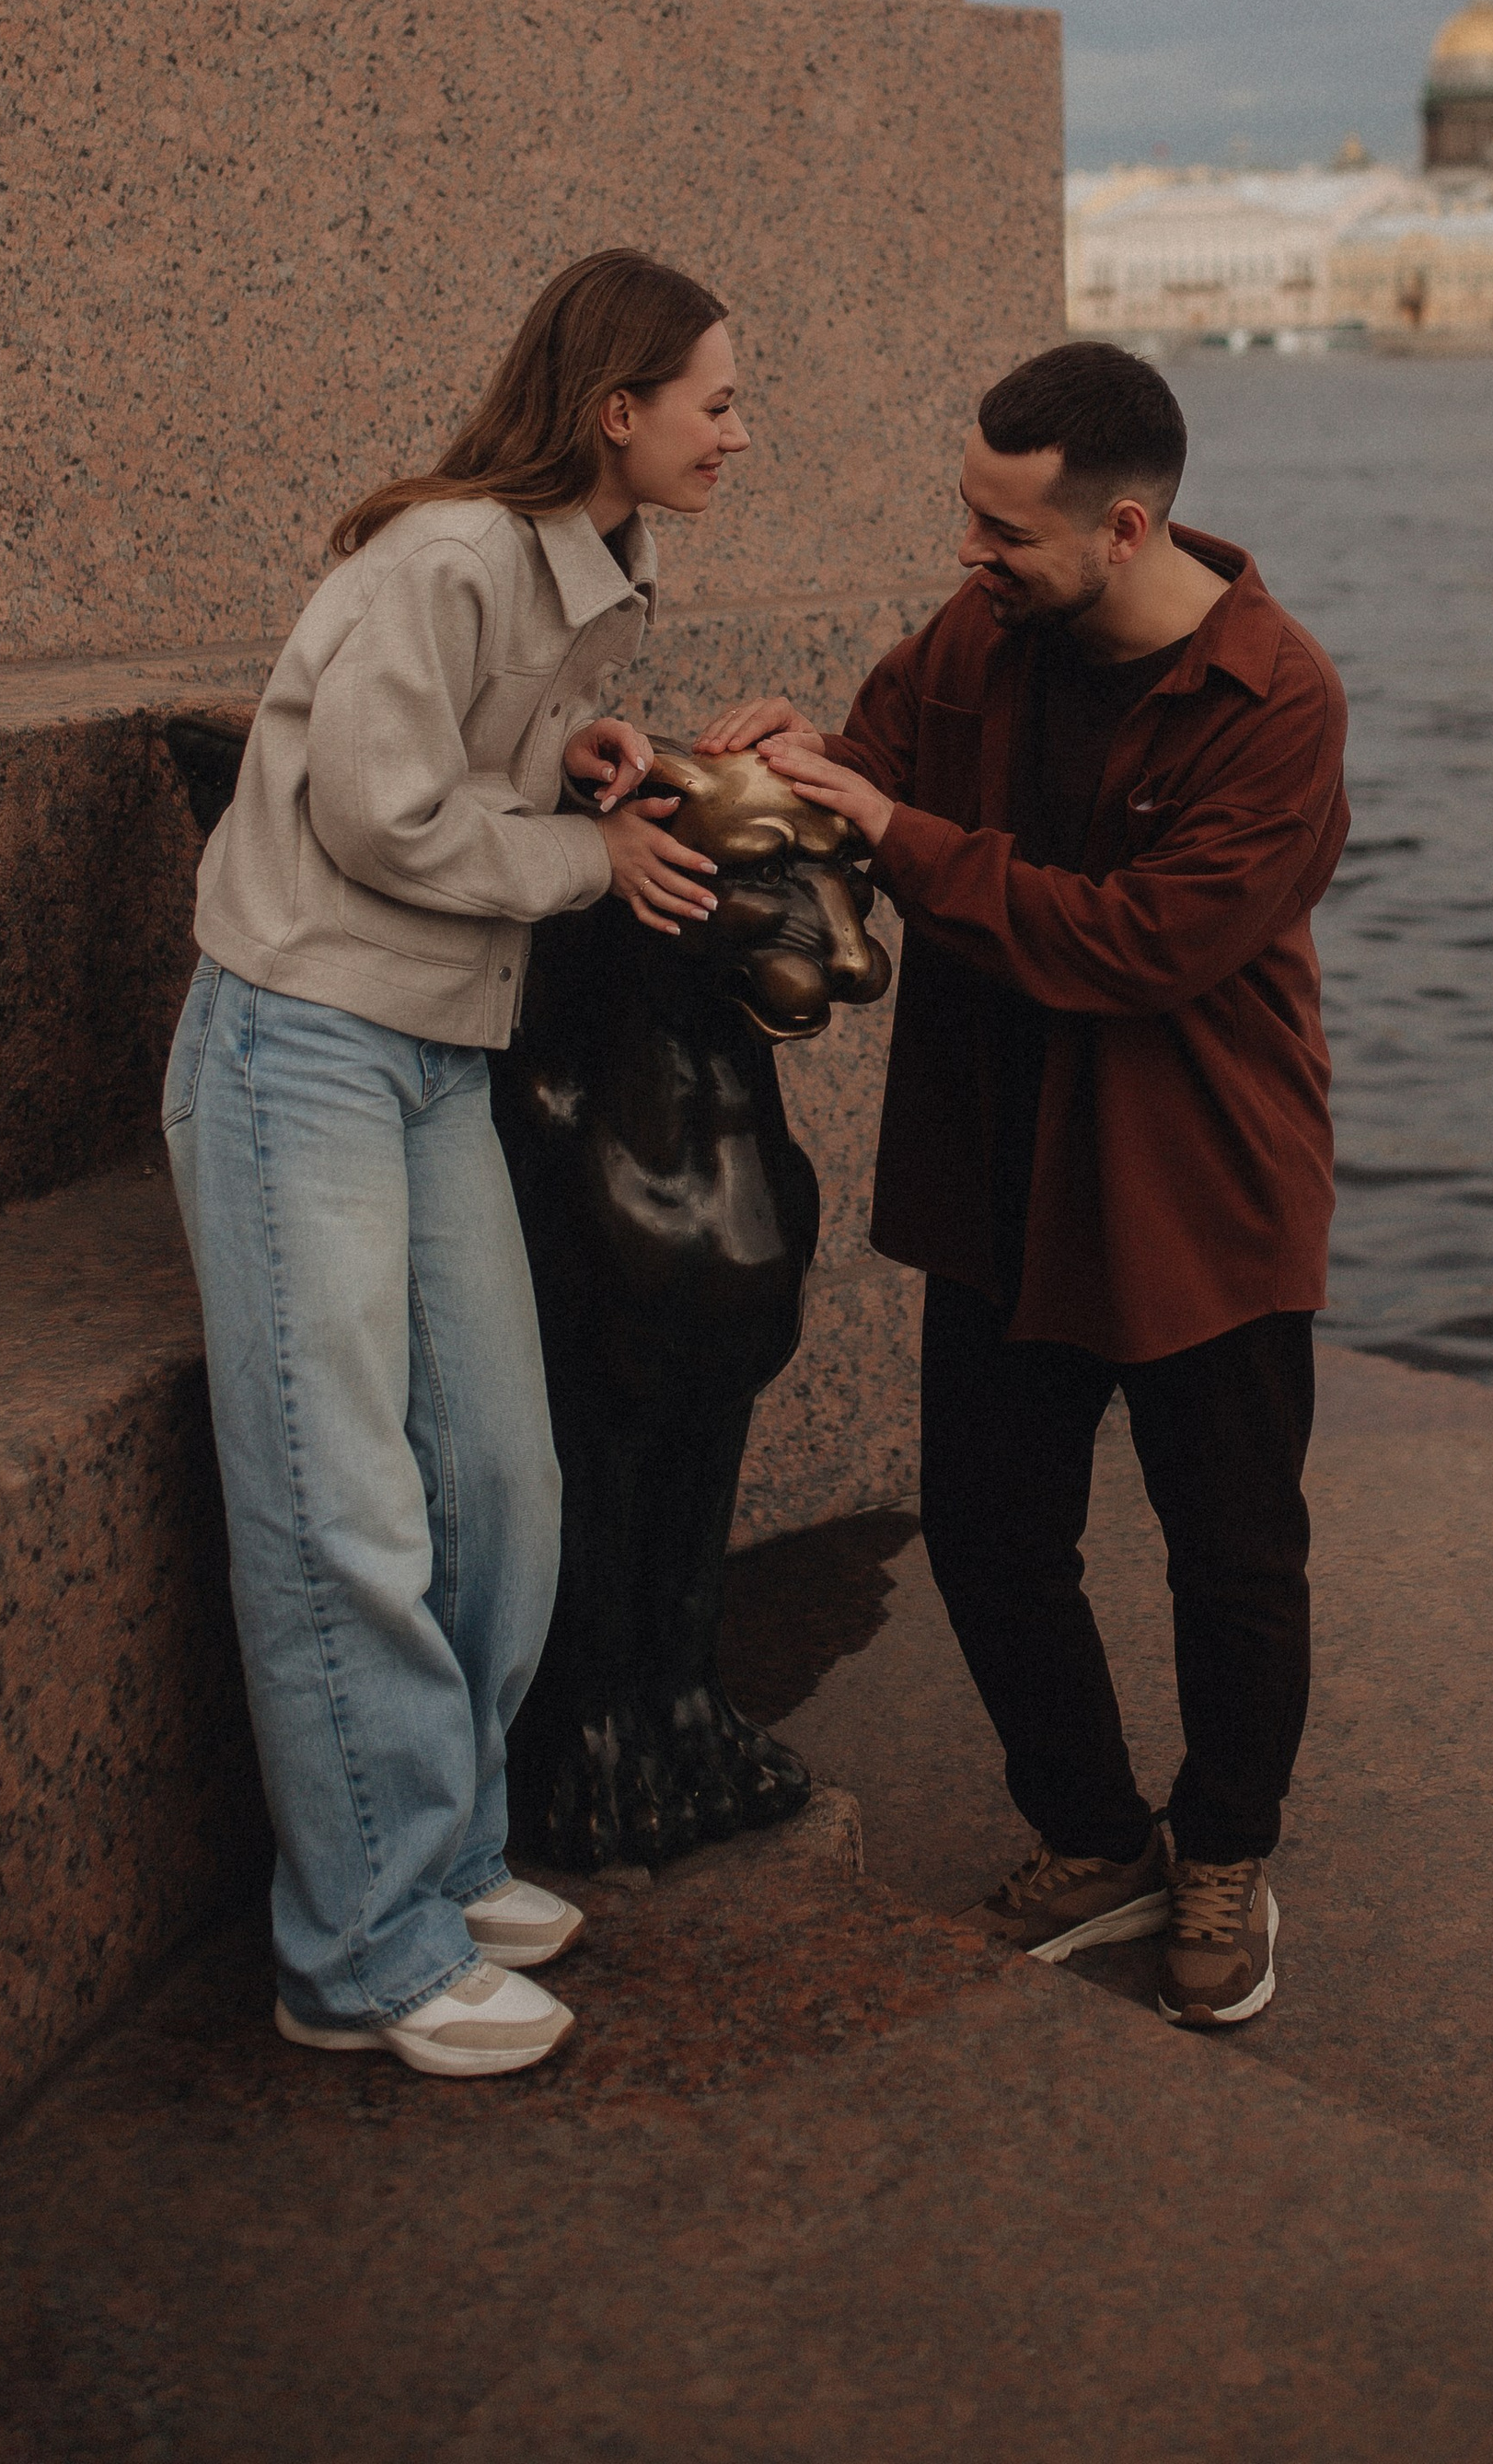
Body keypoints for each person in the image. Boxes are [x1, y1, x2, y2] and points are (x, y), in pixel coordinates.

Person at [719, 340, 1348, 2030]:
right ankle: (1095, 1837)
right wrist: (771, 769)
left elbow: (1140, 945)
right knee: (993, 1536)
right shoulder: (982, 631)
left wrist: (898, 833)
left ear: (1125, 529)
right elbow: (870, 767)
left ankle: (1224, 1855)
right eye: (969, 517)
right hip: (999, 1167)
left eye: (1006, 531)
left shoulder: (1280, 699)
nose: (971, 555)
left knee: (1232, 1557)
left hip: (1196, 1187)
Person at [162, 248, 739, 2080]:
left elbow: (442, 755)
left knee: (500, 1476)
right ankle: (358, 1953)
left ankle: (443, 1857)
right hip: (301, 1045)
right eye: (716, 401)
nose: (738, 431)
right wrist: (592, 860)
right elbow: (378, 811)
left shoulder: (561, 572)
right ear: (616, 411)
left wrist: (562, 753)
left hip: (425, 1049)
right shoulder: (448, 555)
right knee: (343, 1499)